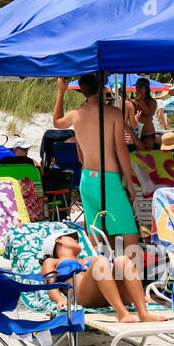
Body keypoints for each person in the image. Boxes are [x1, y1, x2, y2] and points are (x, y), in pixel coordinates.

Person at [53, 74, 139, 245]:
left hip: (87, 178)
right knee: (129, 230)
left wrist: (61, 91)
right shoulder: (114, 113)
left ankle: (94, 268)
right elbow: (121, 150)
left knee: (93, 231)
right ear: (102, 89)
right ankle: (131, 270)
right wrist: (129, 182)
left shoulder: (76, 114)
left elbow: (56, 122)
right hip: (109, 179)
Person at [39, 230, 153, 323]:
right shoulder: (52, 261)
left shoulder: (89, 259)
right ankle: (123, 313)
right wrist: (59, 299)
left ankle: (144, 313)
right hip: (84, 297)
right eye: (71, 237)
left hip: (110, 295)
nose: (76, 240)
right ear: (58, 240)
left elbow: (117, 273)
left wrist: (139, 295)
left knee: (122, 260)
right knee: (101, 261)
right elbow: (49, 284)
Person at [127, 78, 161, 149]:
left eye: (140, 87)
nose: (138, 89)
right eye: (137, 87)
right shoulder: (135, 100)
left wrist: (141, 100)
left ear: (146, 89)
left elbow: (149, 114)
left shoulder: (152, 102)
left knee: (147, 156)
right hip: (136, 134)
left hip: (148, 134)